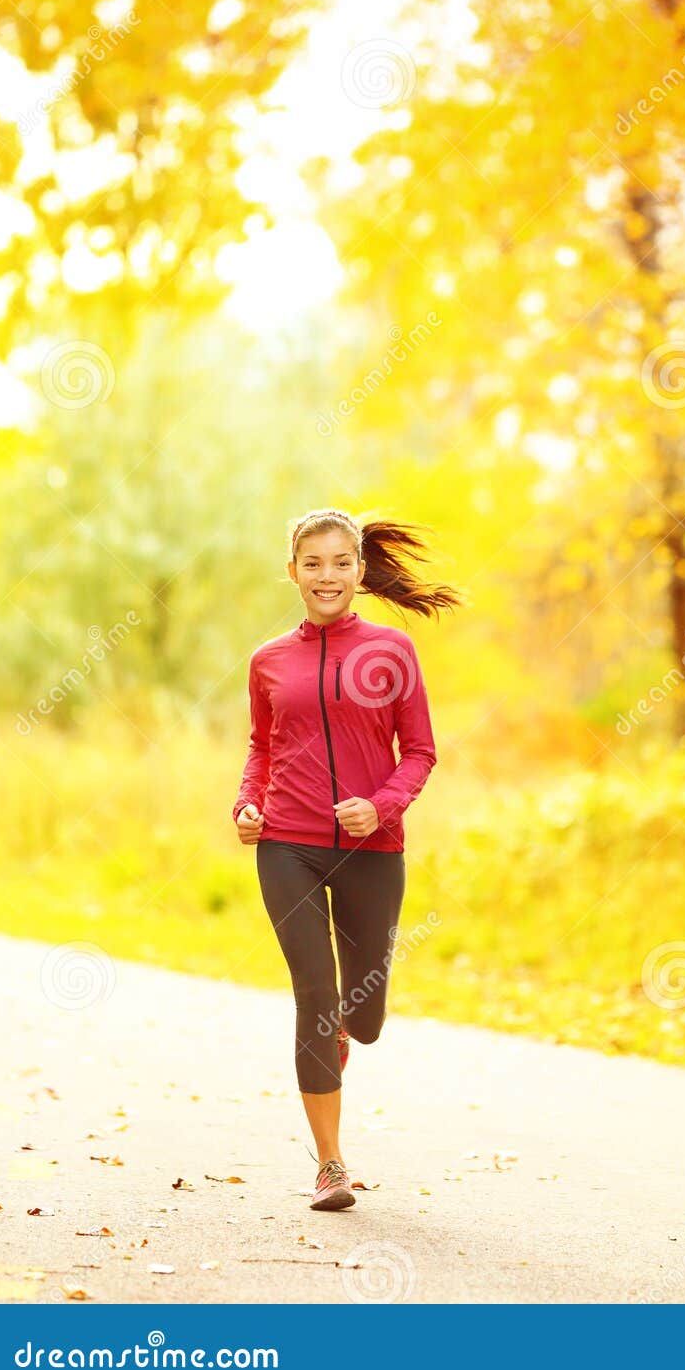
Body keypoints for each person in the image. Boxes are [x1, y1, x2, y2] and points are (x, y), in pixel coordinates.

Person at [232, 507, 461, 1210]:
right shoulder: (269, 659)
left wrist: (381, 806)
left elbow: (420, 751)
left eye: (339, 563)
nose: (326, 576)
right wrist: (247, 805)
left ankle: (345, 1031)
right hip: (288, 846)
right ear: (292, 572)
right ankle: (330, 1164)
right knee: (314, 993)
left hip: (371, 850)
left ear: (360, 572)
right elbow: (261, 747)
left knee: (361, 1018)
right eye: (312, 563)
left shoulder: (391, 651)